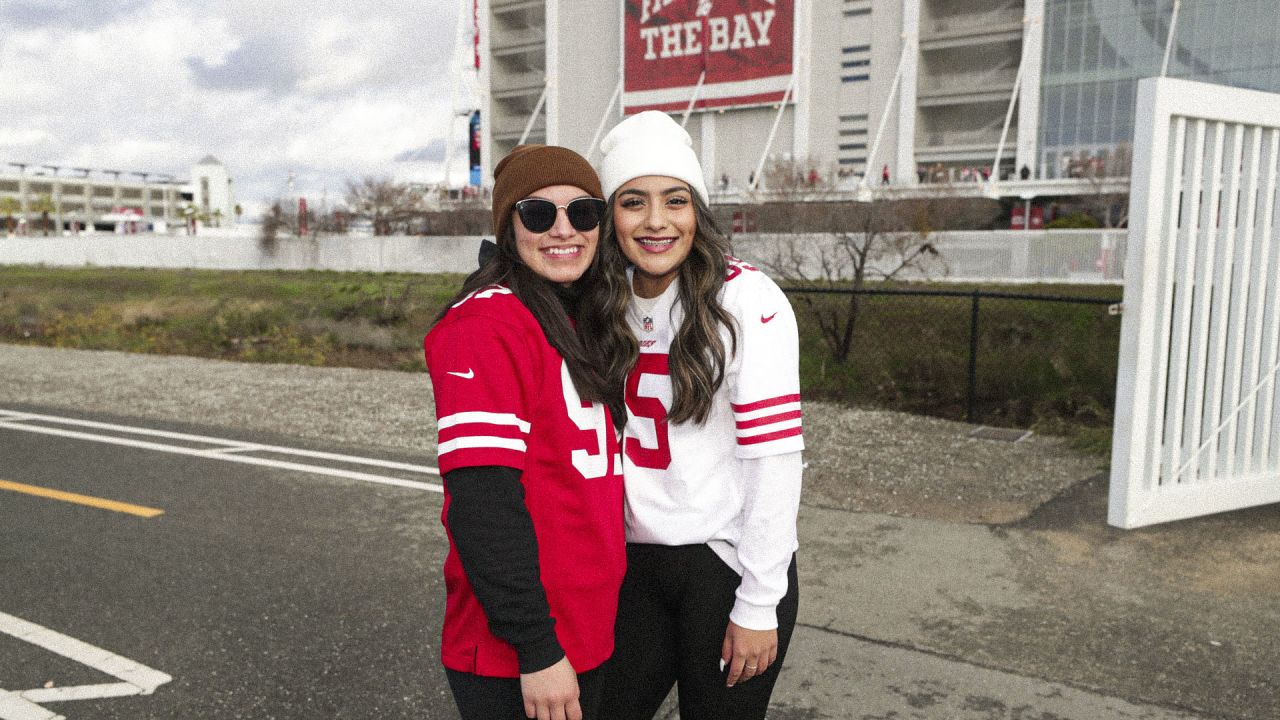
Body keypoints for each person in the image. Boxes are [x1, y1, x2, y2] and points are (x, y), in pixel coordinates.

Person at [590, 110, 804, 719]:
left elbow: (775, 459)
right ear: (610, 218)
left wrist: (760, 602)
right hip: (636, 564)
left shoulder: (745, 299)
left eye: (675, 200)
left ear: (698, 210)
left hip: (724, 563)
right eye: (633, 202)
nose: (656, 221)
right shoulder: (600, 300)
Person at [422, 144, 627, 720]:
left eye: (584, 213)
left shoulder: (572, 314)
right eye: (539, 214)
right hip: (523, 650)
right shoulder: (485, 324)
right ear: (509, 227)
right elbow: (483, 504)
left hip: (588, 629)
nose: (564, 229)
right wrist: (536, 649)